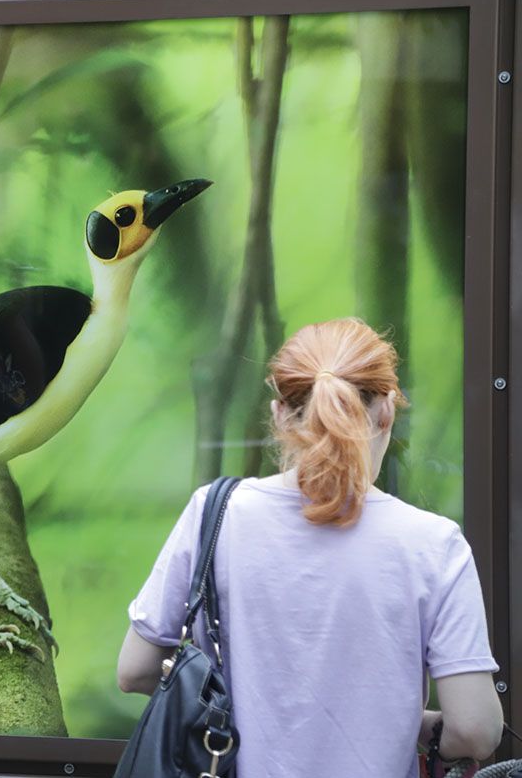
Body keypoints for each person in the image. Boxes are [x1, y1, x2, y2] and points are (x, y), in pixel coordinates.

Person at [115, 318, 503, 777]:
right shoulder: (434, 545)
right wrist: (408, 723)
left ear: (279, 415)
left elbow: (136, 669)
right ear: (387, 413)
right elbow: (475, 730)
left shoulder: (215, 514)